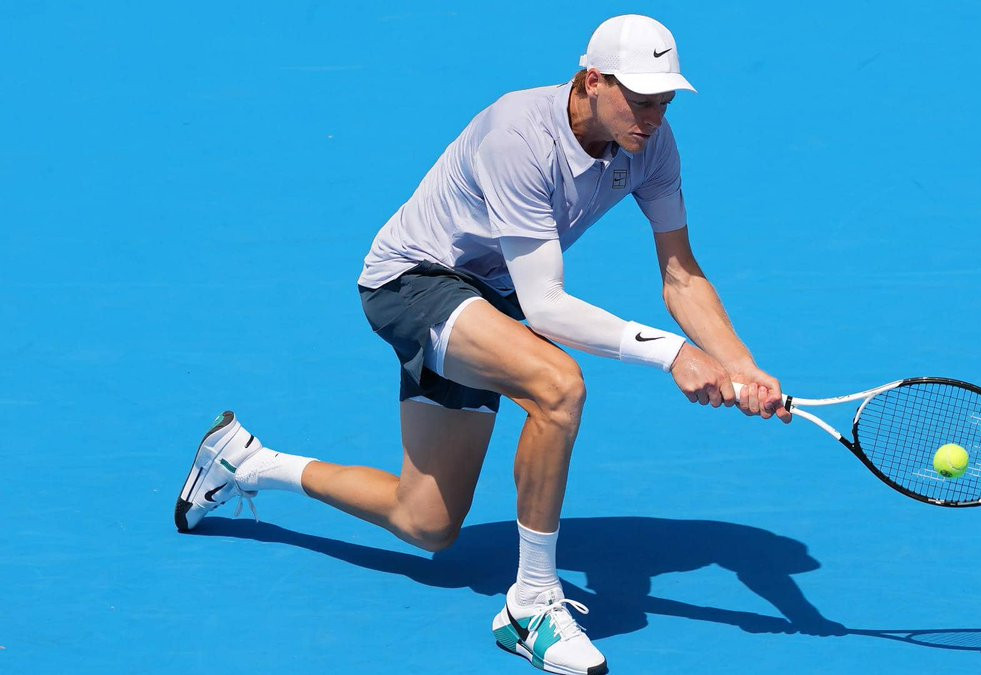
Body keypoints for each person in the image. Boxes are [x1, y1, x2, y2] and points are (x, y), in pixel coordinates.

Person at [174, 14, 791, 675]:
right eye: (640, 100)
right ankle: (531, 604)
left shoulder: (653, 145)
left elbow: (682, 274)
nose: (654, 117)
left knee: (427, 522)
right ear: (593, 81)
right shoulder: (517, 134)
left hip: (489, 299)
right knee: (558, 386)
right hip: (412, 282)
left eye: (665, 101)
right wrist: (672, 353)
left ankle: (244, 461)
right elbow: (546, 305)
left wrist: (742, 366)